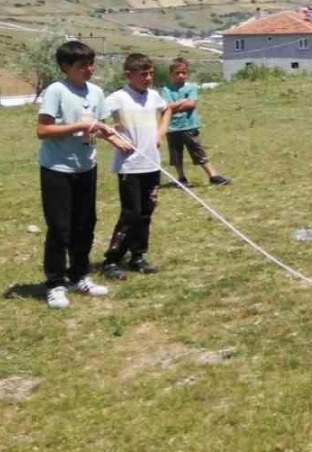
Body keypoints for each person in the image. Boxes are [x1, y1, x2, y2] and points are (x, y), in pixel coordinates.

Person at [35, 40, 122, 310]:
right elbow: (42, 130)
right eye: (83, 65)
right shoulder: (56, 91)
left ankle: (79, 276)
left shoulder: (96, 92)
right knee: (60, 228)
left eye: (91, 64)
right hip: (57, 169)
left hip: (87, 167)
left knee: (85, 224)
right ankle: (55, 284)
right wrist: (77, 127)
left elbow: (100, 126)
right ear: (65, 67)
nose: (90, 69)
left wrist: (114, 138)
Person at [102, 53, 171, 279]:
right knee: (131, 214)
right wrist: (114, 138)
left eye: (150, 73)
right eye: (143, 74)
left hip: (152, 164)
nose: (148, 78)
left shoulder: (153, 96)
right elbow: (96, 121)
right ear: (128, 75)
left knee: (146, 212)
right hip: (129, 167)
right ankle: (112, 260)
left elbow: (167, 109)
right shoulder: (118, 98)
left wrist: (160, 133)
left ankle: (138, 256)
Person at [160, 58, 231, 189]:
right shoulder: (166, 90)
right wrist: (182, 101)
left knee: (198, 151)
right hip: (172, 128)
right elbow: (165, 107)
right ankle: (181, 178)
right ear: (171, 74)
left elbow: (191, 104)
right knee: (176, 155)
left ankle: (213, 175)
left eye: (183, 72)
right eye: (177, 73)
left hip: (189, 126)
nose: (181, 75)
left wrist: (173, 107)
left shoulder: (191, 88)